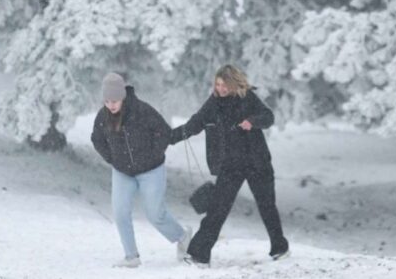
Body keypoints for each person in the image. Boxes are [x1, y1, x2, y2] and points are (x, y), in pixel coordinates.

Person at [170, 64, 289, 267]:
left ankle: (280, 248)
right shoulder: (213, 103)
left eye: (225, 85)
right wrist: (168, 138)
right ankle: (199, 255)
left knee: (266, 206)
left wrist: (252, 121)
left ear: (234, 84)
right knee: (218, 209)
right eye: (218, 84)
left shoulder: (248, 98)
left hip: (257, 162)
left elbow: (268, 117)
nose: (221, 89)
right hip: (230, 165)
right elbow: (195, 123)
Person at [91, 72, 191, 268]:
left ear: (123, 96)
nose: (111, 105)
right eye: (107, 101)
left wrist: (152, 156)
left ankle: (182, 237)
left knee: (155, 214)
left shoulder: (141, 110)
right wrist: (112, 159)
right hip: (122, 172)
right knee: (120, 212)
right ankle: (131, 256)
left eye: (115, 100)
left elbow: (164, 132)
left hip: (151, 170)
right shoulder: (103, 116)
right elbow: (97, 139)